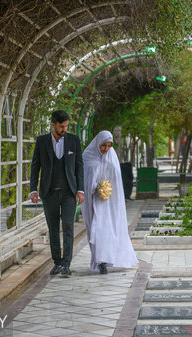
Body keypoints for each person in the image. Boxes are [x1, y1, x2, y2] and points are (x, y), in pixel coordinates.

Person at [30, 110, 84, 277]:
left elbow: (79, 166)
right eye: (61, 126)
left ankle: (66, 264)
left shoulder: (74, 140)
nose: (64, 129)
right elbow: (35, 166)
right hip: (49, 192)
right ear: (53, 125)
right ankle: (57, 262)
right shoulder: (42, 141)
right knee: (53, 229)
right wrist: (33, 189)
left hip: (69, 192)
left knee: (68, 227)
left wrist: (80, 189)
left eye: (66, 126)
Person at [82, 131, 138, 274]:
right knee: (97, 229)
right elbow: (84, 178)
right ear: (97, 144)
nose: (106, 149)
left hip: (109, 201)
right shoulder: (88, 156)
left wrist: (106, 189)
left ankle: (106, 259)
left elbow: (116, 179)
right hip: (94, 200)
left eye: (109, 145)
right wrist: (95, 188)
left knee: (108, 229)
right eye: (103, 146)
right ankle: (99, 260)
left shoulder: (111, 156)